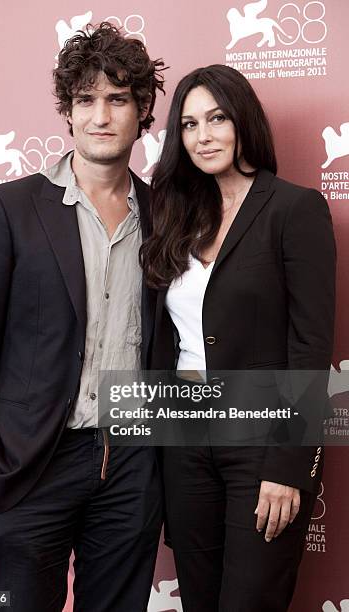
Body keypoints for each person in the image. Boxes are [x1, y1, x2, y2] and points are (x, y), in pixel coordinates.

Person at [0, 23, 165, 612]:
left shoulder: (163, 215)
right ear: (68, 112)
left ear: (142, 110)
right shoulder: (8, 208)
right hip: (29, 463)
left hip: (130, 464)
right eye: (86, 99)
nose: (101, 115)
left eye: (117, 99)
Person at [140, 64, 335, 611]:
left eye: (217, 118)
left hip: (262, 440)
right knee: (199, 600)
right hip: (184, 438)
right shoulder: (174, 215)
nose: (203, 135)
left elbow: (311, 347)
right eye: (189, 124)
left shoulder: (294, 209)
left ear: (243, 120)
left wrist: (288, 465)